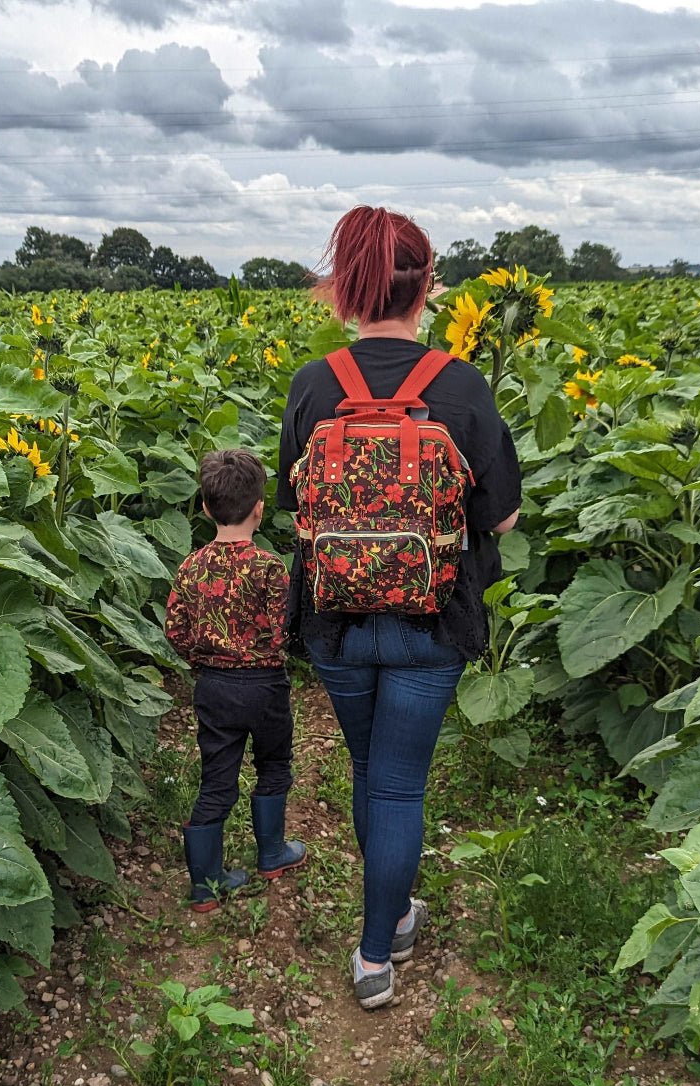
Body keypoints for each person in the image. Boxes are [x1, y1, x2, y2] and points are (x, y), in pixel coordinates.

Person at [277, 205, 521, 1009]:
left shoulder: (315, 385)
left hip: (336, 623)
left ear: (344, 288)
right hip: (434, 622)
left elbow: (293, 502)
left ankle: (389, 915)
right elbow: (501, 516)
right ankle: (378, 948)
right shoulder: (461, 383)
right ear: (429, 289)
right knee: (399, 785)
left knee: (366, 769)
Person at [165, 448, 306, 911]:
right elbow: (285, 626)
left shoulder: (191, 567)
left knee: (217, 781)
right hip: (264, 684)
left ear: (205, 508)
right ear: (260, 508)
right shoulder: (268, 567)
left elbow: (175, 630)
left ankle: (205, 886)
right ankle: (271, 854)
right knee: (274, 766)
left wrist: (200, 661)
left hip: (215, 687)